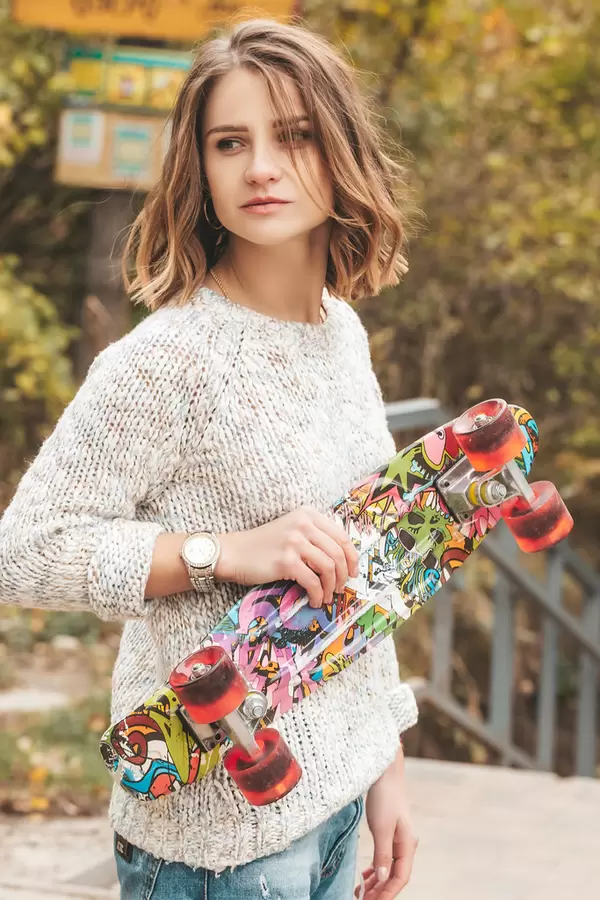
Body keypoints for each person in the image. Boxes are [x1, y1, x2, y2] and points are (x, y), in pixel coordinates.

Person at [0, 17, 420, 900]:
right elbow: (21, 551)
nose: (261, 166)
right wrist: (220, 552)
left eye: (294, 135)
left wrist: (386, 759)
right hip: (220, 839)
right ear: (203, 169)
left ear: (339, 149)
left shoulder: (340, 333)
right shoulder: (169, 360)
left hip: (336, 802)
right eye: (232, 142)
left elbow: (363, 568)